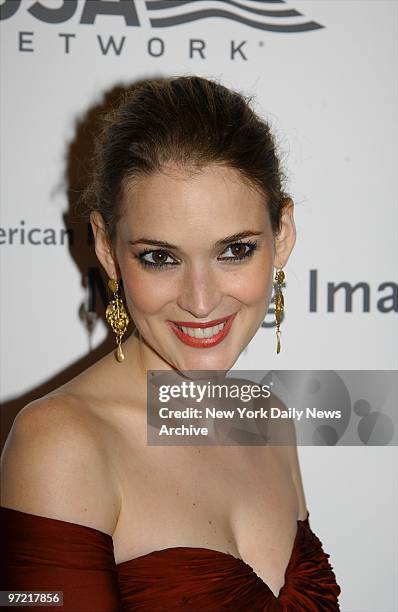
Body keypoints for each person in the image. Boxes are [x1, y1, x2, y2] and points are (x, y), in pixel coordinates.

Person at [0, 76, 341, 611]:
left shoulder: (269, 419)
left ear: (283, 235)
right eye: (160, 257)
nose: (201, 301)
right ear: (109, 252)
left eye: (235, 250)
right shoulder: (61, 445)